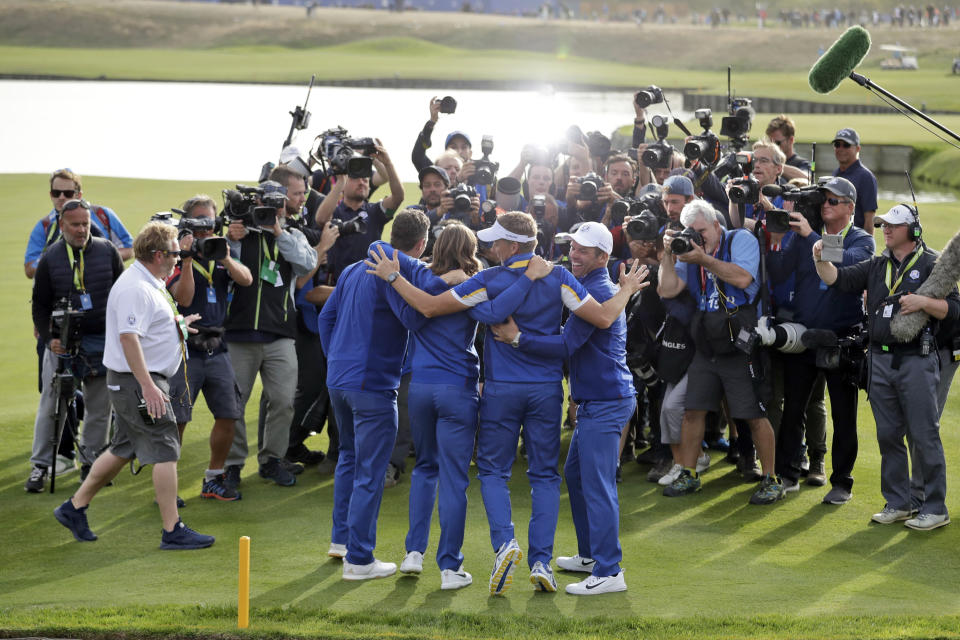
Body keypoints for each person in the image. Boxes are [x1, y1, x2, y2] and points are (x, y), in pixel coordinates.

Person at [368, 212, 650, 595]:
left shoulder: (487, 279)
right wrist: (625, 291)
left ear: (512, 245)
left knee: (493, 472)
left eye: (496, 242)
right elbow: (600, 317)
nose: (489, 247)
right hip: (547, 391)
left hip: (501, 391)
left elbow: (431, 308)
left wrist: (393, 276)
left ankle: (505, 543)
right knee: (546, 476)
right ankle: (541, 562)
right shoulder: (559, 276)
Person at [324, 210, 552, 581]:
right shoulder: (471, 283)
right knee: (454, 478)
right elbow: (488, 312)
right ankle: (449, 566)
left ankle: (410, 554)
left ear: (433, 249)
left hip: (417, 389)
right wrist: (526, 279)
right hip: (456, 390)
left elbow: (417, 303)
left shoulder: (410, 277)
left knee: (421, 469)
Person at [490, 222, 637, 595]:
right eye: (572, 247)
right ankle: (591, 555)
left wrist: (518, 338)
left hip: (607, 402)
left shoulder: (599, 289)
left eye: (584, 250)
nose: (574, 254)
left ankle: (609, 570)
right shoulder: (592, 287)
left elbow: (566, 344)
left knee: (598, 485)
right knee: (575, 477)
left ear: (603, 256)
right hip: (595, 401)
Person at [53, 221, 214, 549]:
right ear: (157, 254)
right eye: (173, 253)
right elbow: (129, 338)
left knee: (123, 448)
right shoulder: (135, 288)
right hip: (139, 382)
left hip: (137, 381)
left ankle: (74, 507)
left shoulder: (149, 281)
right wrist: (149, 387)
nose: (177, 258)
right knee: (166, 447)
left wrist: (179, 326)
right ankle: (173, 530)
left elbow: (147, 326)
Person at [813, 203, 957, 530]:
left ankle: (935, 507)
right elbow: (838, 279)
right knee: (888, 435)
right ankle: (898, 502)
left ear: (913, 230)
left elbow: (955, 310)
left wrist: (924, 303)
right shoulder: (878, 265)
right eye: (883, 225)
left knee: (923, 434)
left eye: (893, 225)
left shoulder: (934, 264)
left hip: (917, 358)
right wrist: (819, 258)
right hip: (879, 357)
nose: (886, 230)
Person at [657, 200, 785, 505]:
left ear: (716, 224)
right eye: (693, 232)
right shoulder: (690, 251)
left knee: (753, 414)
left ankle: (771, 478)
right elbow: (667, 289)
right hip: (708, 343)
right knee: (692, 411)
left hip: (739, 342)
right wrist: (667, 254)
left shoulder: (738, 238)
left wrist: (702, 259)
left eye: (702, 230)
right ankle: (689, 473)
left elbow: (742, 278)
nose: (698, 237)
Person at [765, 177, 875, 504]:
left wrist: (809, 235)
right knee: (793, 407)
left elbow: (845, 261)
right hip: (805, 335)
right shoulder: (802, 236)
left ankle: (842, 482)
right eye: (824, 200)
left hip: (842, 340)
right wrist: (776, 237)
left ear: (851, 207)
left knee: (844, 414)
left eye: (834, 201)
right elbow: (780, 270)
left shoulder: (863, 240)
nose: (826, 205)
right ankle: (787, 473)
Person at [223, 181, 318, 488]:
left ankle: (272, 459)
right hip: (240, 332)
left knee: (283, 400)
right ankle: (233, 464)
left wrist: (278, 232)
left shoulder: (293, 235)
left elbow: (306, 264)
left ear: (282, 206)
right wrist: (230, 239)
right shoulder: (241, 232)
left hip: (280, 333)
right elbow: (223, 267)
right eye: (265, 203)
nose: (270, 209)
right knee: (234, 404)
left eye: (276, 203)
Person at [27, 199, 124, 492]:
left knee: (99, 408)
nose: (82, 230)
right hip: (63, 344)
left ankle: (92, 465)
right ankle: (40, 467)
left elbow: (121, 293)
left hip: (103, 342)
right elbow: (40, 306)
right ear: (62, 225)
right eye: (75, 225)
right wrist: (50, 338)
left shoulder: (107, 251)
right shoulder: (50, 257)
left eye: (85, 223)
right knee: (52, 405)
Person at [166, 195, 254, 501]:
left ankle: (214, 477)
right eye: (199, 222)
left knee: (229, 413)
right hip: (186, 348)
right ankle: (168, 484)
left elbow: (246, 279)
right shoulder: (174, 255)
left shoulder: (219, 252)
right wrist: (188, 257)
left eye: (210, 222)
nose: (205, 229)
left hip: (218, 346)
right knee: (178, 418)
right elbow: (185, 298)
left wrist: (225, 257)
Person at [314, 141, 405, 281]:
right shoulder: (336, 212)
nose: (362, 182)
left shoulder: (375, 211)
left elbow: (398, 197)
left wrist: (388, 164)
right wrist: (340, 181)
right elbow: (320, 219)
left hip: (368, 284)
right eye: (356, 178)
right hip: (337, 284)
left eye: (365, 180)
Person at [26, 168, 133, 279]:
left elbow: (129, 249)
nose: (61, 197)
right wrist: (58, 261)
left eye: (68, 193)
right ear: (51, 195)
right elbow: (29, 269)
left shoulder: (102, 215)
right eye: (56, 193)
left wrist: (100, 258)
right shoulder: (44, 226)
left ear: (79, 195)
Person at [831, 128, 878, 231]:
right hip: (834, 239)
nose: (841, 148)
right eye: (837, 145)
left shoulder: (866, 177)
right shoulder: (834, 175)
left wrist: (865, 245)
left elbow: (869, 219)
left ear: (857, 149)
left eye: (846, 145)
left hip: (855, 241)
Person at [765, 114, 811, 180]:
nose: (773, 146)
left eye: (777, 143)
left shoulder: (802, 164)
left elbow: (807, 178)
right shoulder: (763, 161)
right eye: (769, 142)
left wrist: (775, 166)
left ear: (791, 140)